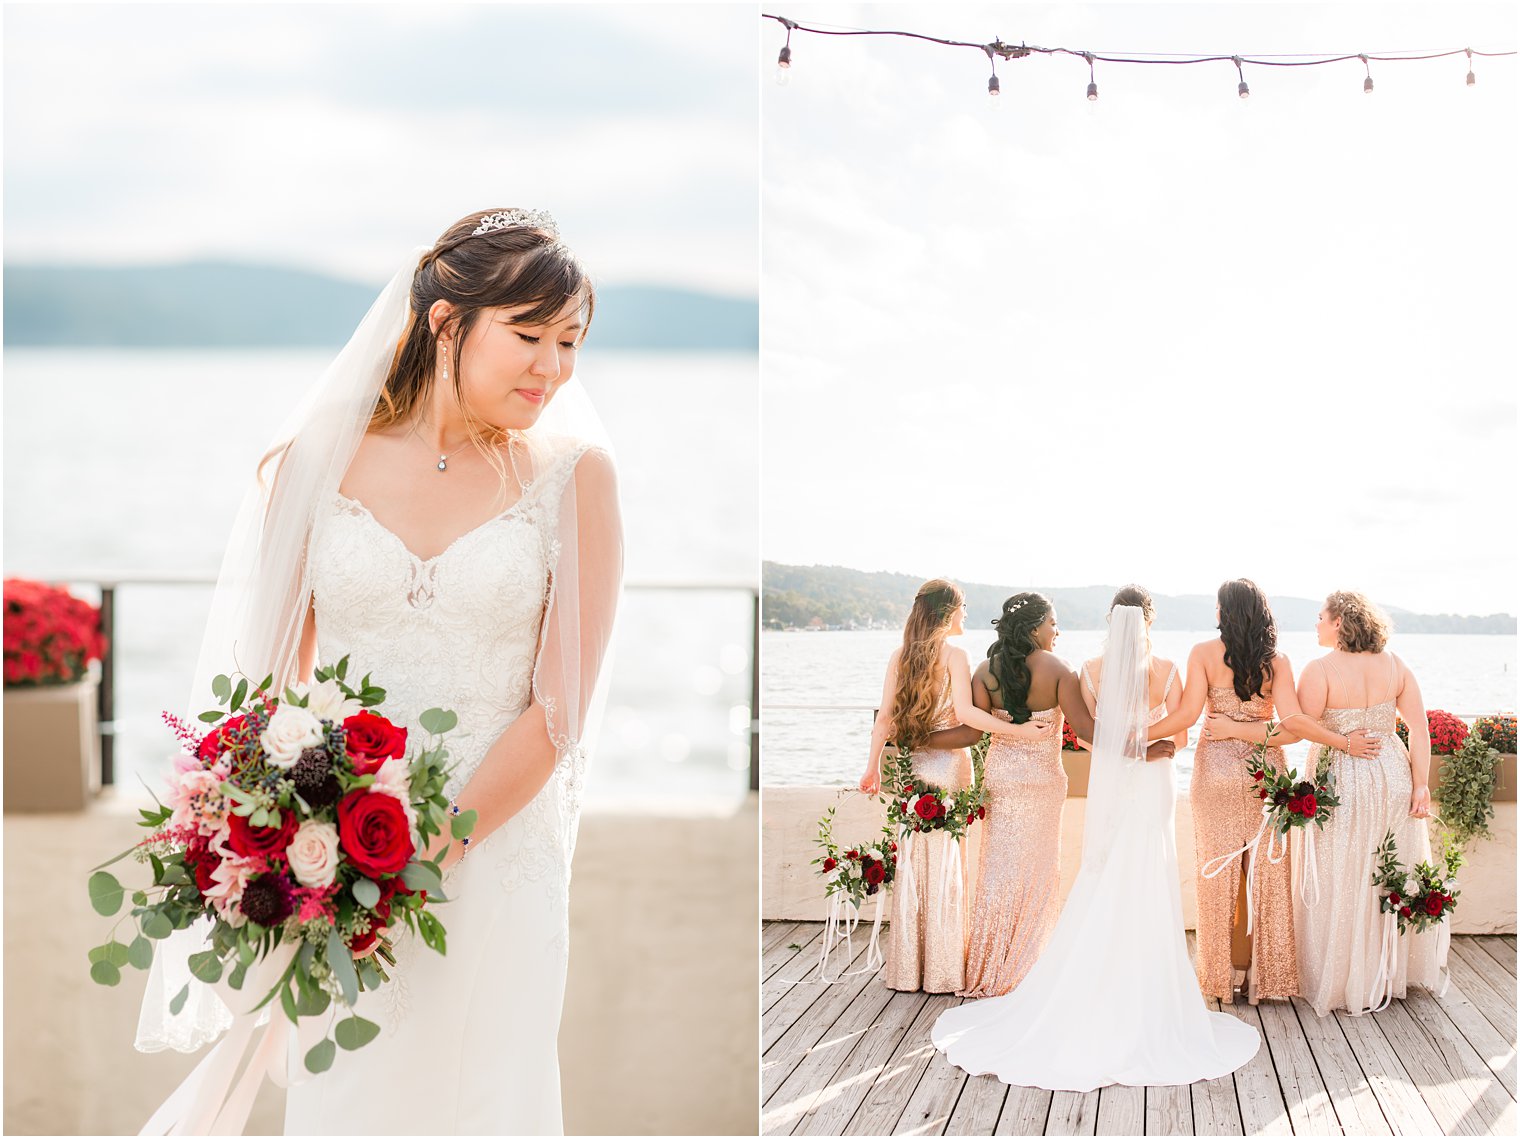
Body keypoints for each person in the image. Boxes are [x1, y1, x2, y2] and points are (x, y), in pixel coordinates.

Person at [137, 208, 621, 1135]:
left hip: (496, 864)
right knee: (351, 1098)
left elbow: (559, 714)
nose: (552, 370)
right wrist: (286, 847)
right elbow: (269, 695)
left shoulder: (576, 479)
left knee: (489, 1099)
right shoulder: (312, 466)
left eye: (569, 343)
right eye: (528, 336)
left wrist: (430, 852)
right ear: (446, 323)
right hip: (339, 874)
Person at [932, 604, 1258, 1091]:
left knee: (1104, 870)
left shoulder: (1086, 670)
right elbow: (1183, 734)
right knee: (1150, 870)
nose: (1057, 629)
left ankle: (1075, 975)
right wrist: (1147, 745)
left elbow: (1087, 738)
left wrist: (1125, 745)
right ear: (1149, 619)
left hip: (1109, 778)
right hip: (1153, 781)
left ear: (1109, 620)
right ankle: (1149, 988)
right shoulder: (1165, 670)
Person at [1205, 590, 1447, 1015]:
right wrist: (1420, 784)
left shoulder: (1321, 670)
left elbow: (1292, 730)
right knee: (1385, 870)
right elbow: (1420, 730)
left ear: (1339, 622)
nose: (1316, 624)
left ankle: (1340, 977)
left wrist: (1232, 731)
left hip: (1342, 780)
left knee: (1341, 875)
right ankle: (1386, 973)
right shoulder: (1396, 665)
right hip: (1392, 775)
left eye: (1321, 617)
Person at [1147, 580, 1371, 1004]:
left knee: (1216, 878)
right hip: (1262, 776)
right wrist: (1250, 730)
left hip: (1213, 773)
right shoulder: (1278, 662)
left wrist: (1135, 732)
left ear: (1223, 613)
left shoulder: (1202, 654)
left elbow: (1186, 716)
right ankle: (1265, 980)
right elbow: (1292, 728)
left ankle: (1219, 980)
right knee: (1266, 876)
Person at [857, 580, 1055, 993]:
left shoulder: (900, 656)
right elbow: (967, 716)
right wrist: (1018, 730)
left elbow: (884, 721)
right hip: (949, 767)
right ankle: (943, 970)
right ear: (948, 612)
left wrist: (871, 768)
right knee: (947, 863)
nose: (966, 614)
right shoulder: (955, 655)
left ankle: (908, 969)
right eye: (963, 607)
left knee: (914, 862)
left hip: (914, 769)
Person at [958, 592, 1097, 997]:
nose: (1058, 630)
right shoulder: (1058, 669)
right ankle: (1029, 967)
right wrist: (1139, 743)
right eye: (1053, 622)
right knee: (1037, 873)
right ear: (1036, 626)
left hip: (1000, 780)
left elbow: (973, 731)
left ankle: (992, 964)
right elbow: (1086, 730)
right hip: (1041, 783)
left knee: (998, 872)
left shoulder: (985, 670)